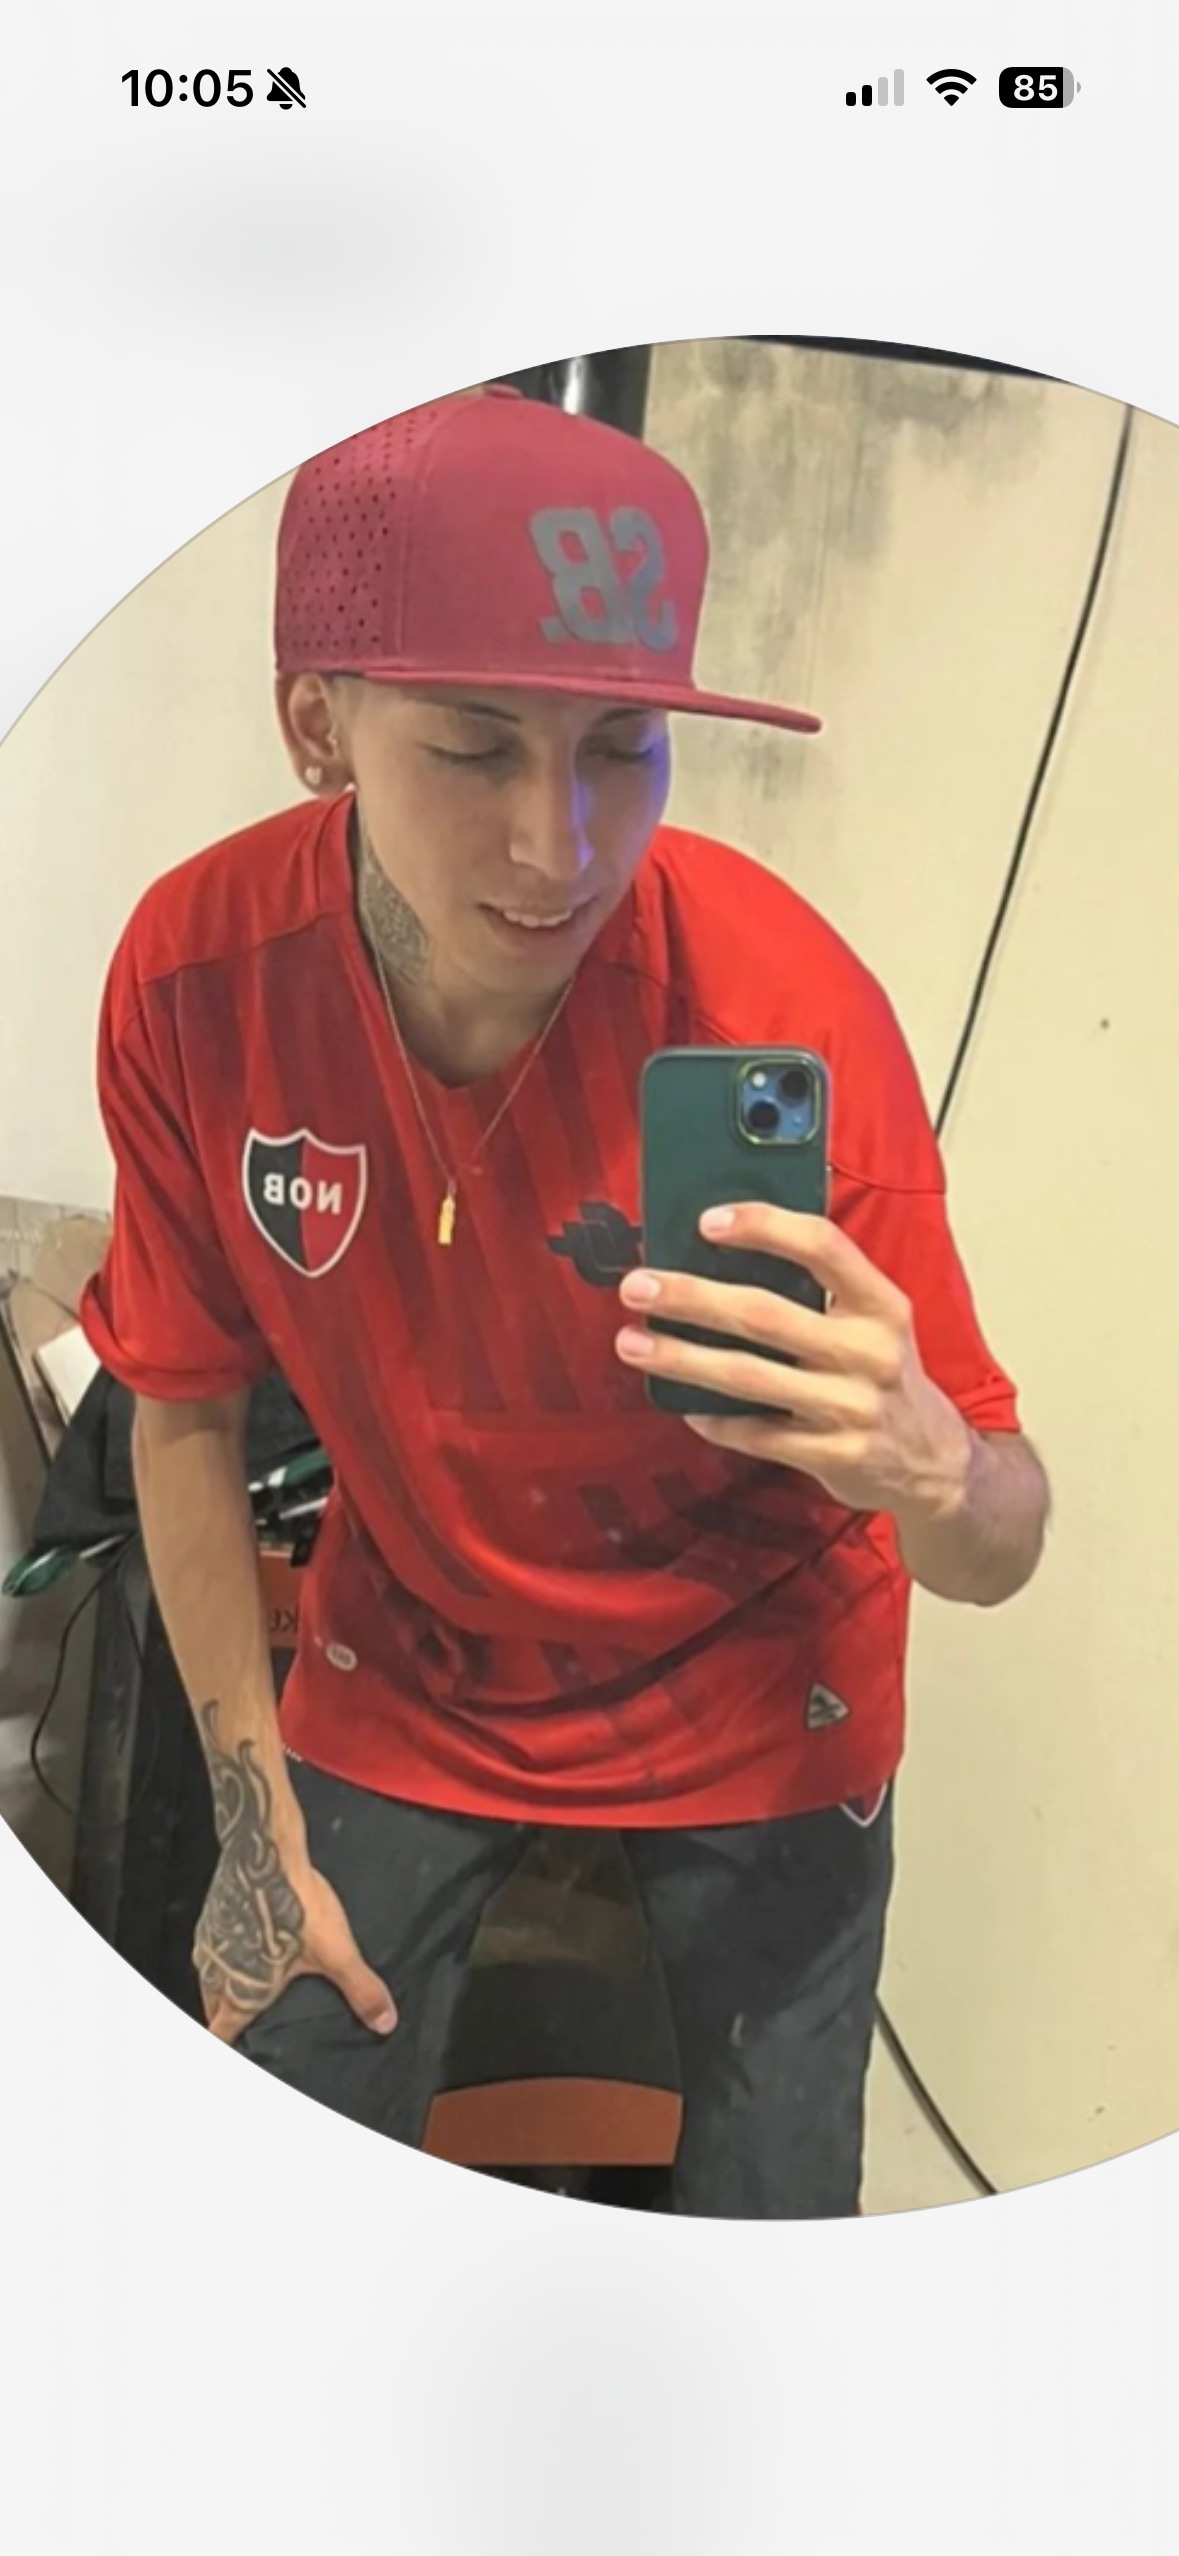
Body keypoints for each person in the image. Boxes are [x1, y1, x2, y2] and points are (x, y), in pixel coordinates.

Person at [80, 385, 1050, 2217]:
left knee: (774, 2220)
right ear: (317, 726)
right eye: (474, 749)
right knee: (270, 2153)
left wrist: (933, 1468)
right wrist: (250, 1818)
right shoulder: (203, 978)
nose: (561, 846)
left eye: (623, 747)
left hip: (765, 1690)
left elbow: (999, 1538)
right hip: (413, 1663)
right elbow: (182, 1411)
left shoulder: (778, 1004)